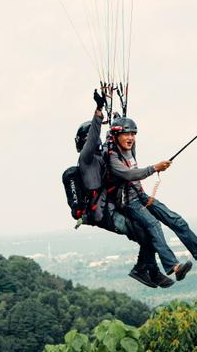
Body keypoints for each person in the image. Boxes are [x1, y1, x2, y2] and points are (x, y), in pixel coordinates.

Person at [107, 115, 197, 280]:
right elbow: (129, 174)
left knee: (174, 219)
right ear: (115, 136)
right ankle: (174, 266)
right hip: (128, 202)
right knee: (153, 224)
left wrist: (118, 118)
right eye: (126, 134)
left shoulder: (129, 148)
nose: (131, 138)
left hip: (141, 195)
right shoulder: (111, 157)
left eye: (133, 134)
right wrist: (154, 168)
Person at [76, 90, 177, 289]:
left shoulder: (102, 155)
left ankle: (145, 269)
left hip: (114, 205)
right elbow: (95, 137)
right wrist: (98, 111)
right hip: (104, 213)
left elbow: (112, 143)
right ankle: (148, 270)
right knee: (144, 231)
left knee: (146, 229)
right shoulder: (86, 159)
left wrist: (118, 121)